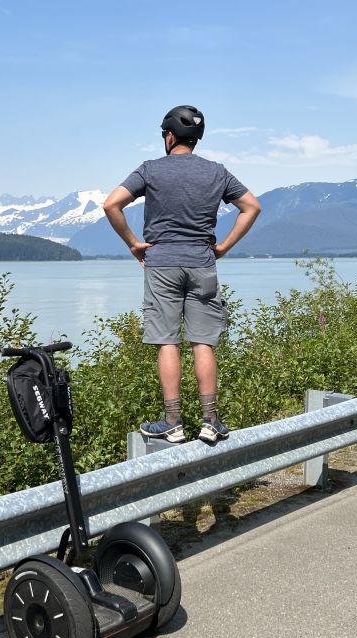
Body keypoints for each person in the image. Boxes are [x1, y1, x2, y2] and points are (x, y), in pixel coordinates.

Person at [103, 105, 261, 444]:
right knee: (203, 341)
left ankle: (172, 421)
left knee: (167, 341)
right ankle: (210, 420)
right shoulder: (217, 173)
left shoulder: (150, 170)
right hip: (203, 263)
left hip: (161, 264)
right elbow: (252, 207)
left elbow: (110, 204)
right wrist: (224, 247)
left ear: (169, 136)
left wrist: (133, 243)